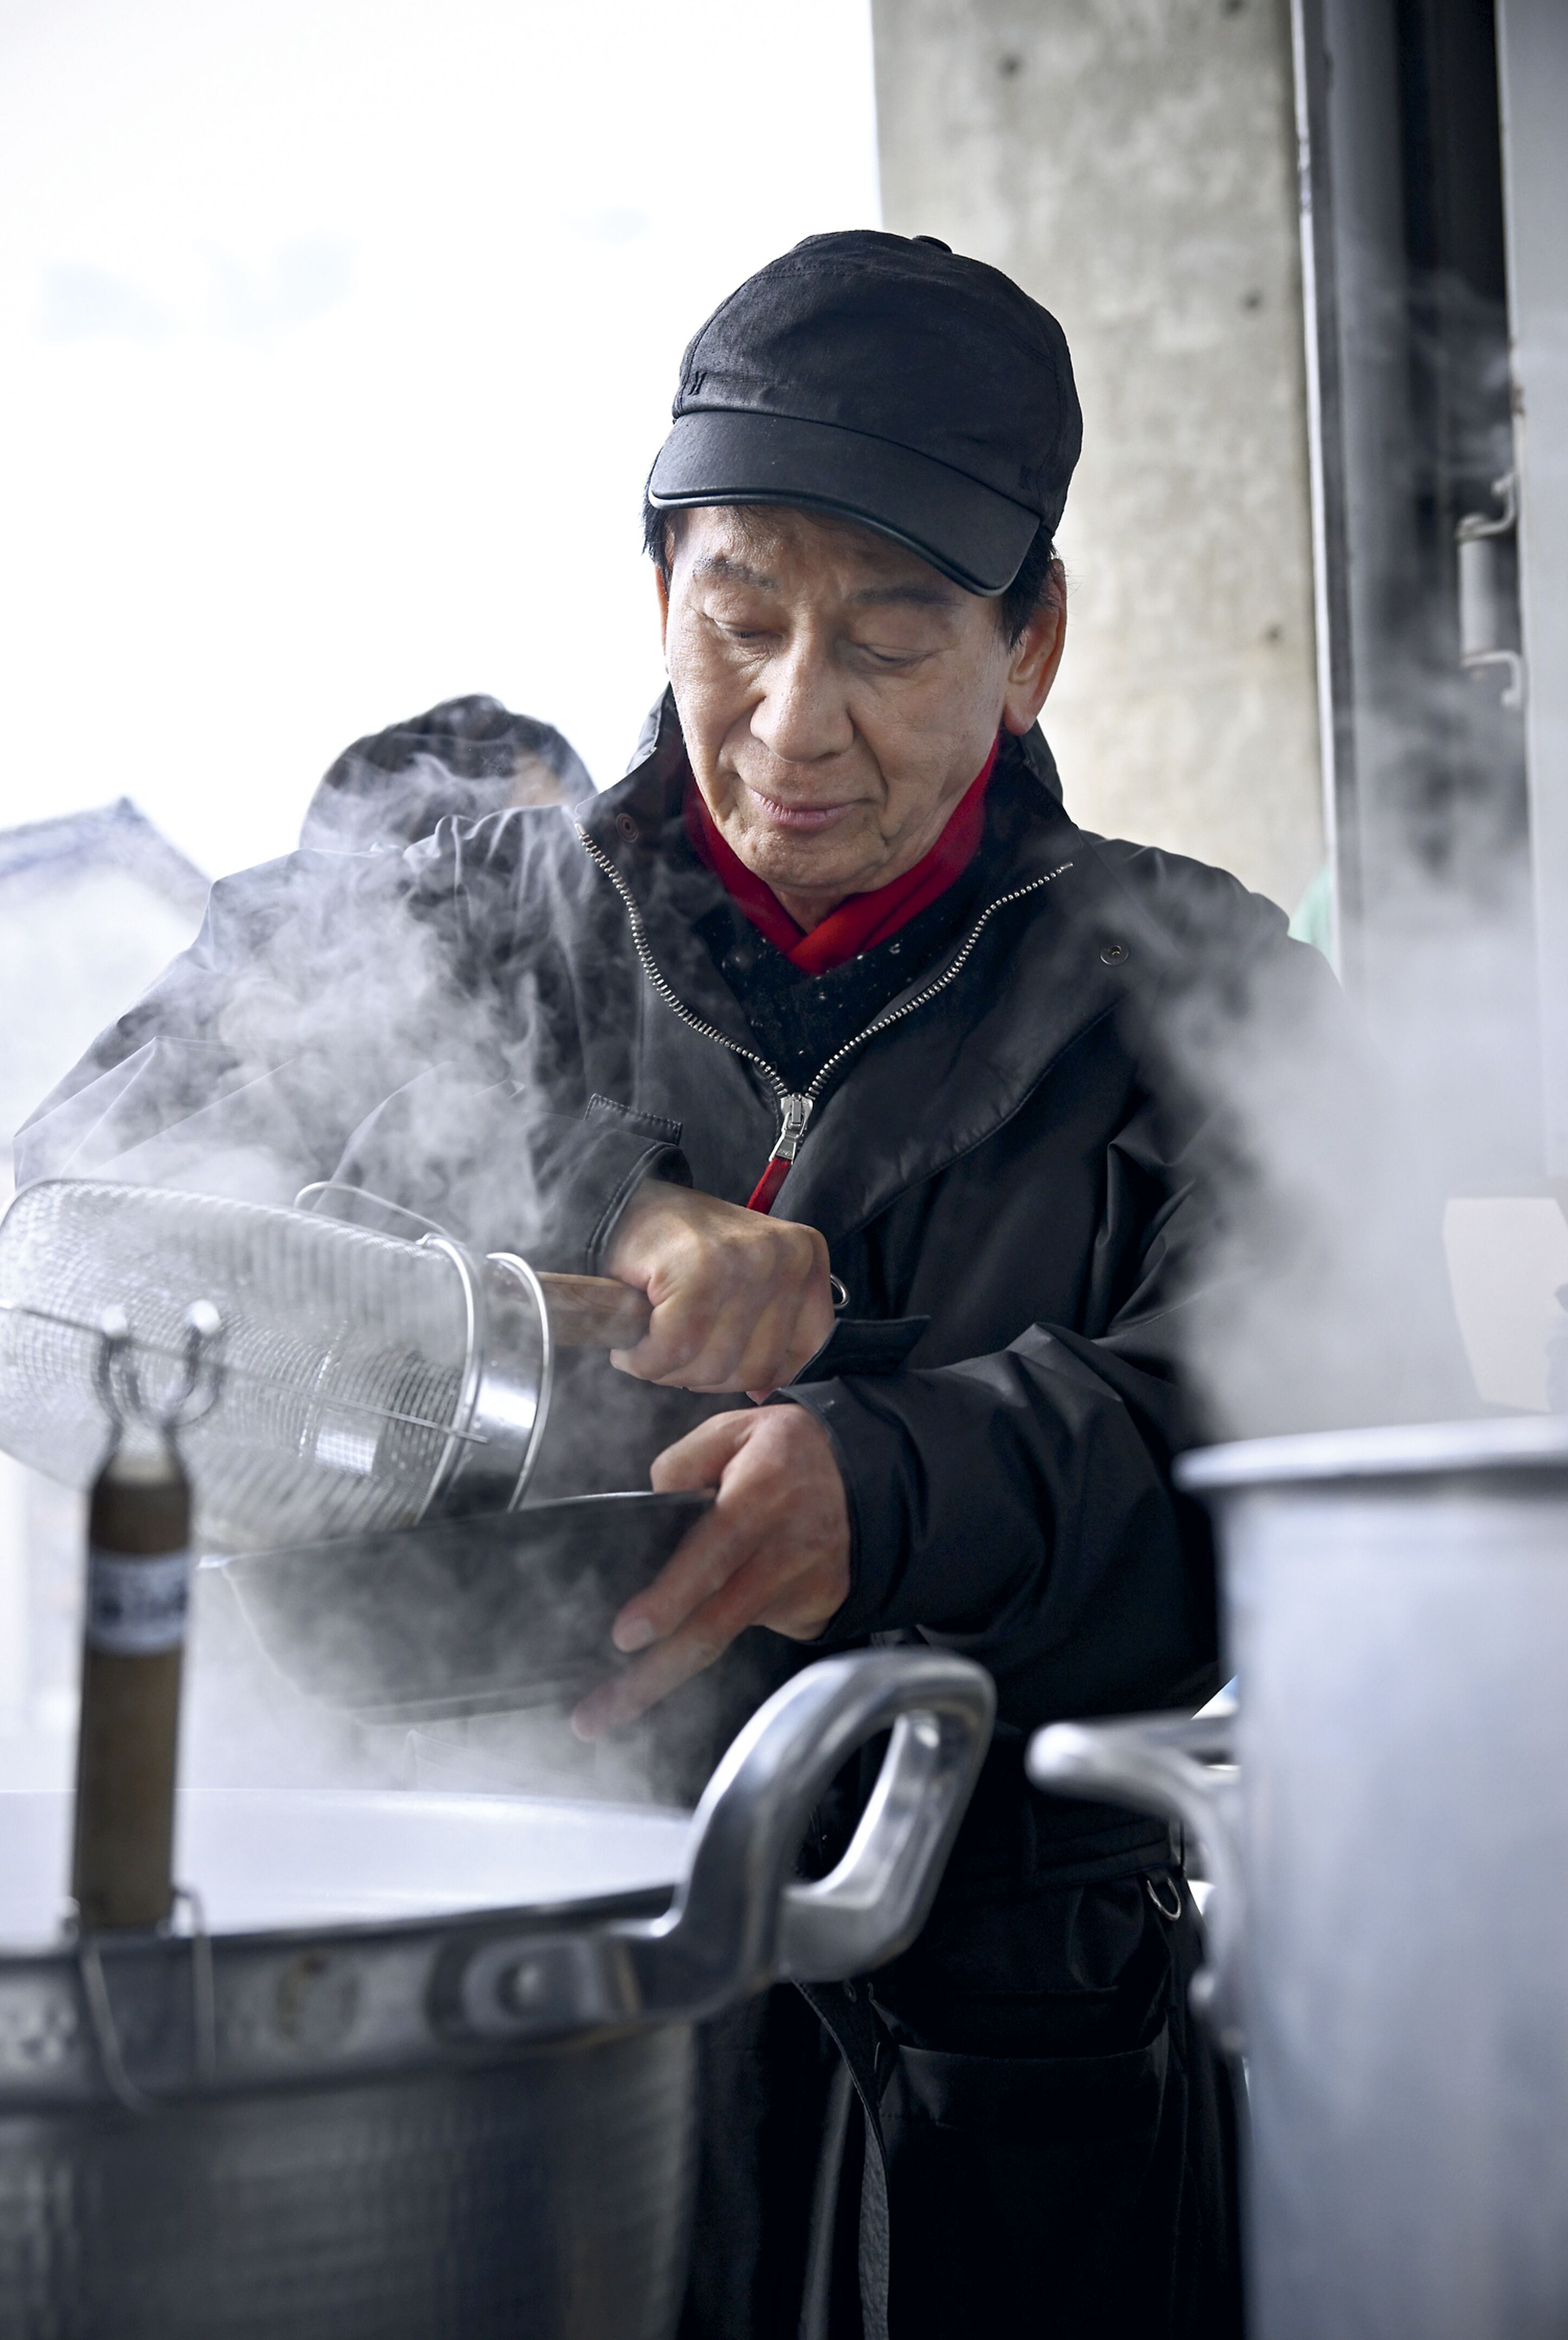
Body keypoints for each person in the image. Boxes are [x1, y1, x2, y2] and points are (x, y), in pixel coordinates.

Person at [23, 230, 1399, 2336]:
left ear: (1030, 644)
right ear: (654, 587)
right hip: (432, 2017)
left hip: (997, 2094)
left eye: (891, 639)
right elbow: (60, 1255)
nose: (791, 721)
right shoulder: (423, 916)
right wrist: (591, 1206)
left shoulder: (1204, 994)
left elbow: (1338, 1452)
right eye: (735, 617)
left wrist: (911, 1479)